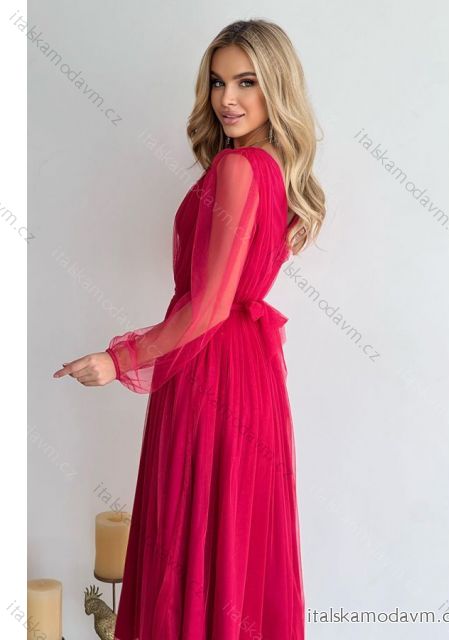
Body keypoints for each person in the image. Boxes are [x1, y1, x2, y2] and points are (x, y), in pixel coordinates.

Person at [53, 18, 325, 639]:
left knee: (189, 535)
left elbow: (207, 308)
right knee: (231, 543)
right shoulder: (274, 169)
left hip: (211, 371)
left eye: (247, 82)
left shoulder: (239, 168)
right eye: (217, 82)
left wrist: (117, 360)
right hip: (250, 374)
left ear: (277, 86)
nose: (227, 99)